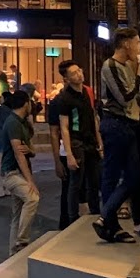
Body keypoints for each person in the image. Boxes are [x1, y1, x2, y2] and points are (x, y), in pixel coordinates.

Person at [96, 27, 140, 243]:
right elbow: (125, 97)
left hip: (129, 125)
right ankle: (110, 223)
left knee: (134, 176)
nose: (138, 47)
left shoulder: (126, 66)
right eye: (137, 43)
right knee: (112, 176)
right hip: (115, 125)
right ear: (126, 44)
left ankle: (108, 217)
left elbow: (137, 98)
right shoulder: (111, 66)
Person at [48, 60, 101, 231]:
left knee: (94, 179)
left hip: (90, 140)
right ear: (66, 79)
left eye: (79, 70)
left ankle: (95, 213)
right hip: (76, 141)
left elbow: (93, 117)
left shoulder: (87, 92)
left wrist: (100, 142)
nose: (79, 74)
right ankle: (72, 220)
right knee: (75, 182)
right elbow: (61, 128)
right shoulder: (63, 99)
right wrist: (67, 154)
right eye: (74, 73)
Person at [0, 84, 41, 254]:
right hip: (12, 173)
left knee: (17, 214)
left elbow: (29, 150)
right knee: (32, 198)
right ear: (25, 103)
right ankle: (22, 241)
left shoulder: (22, 123)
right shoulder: (13, 123)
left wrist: (29, 151)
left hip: (17, 173)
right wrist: (31, 181)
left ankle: (13, 254)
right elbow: (18, 153)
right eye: (30, 102)